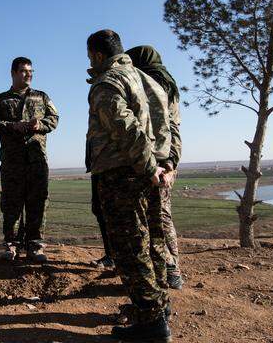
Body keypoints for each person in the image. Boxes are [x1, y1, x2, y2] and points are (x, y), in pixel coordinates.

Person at [85, 29, 171, 342]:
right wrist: (162, 164)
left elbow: (125, 128)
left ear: (96, 55)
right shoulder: (143, 78)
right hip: (146, 171)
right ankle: (159, 311)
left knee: (131, 251)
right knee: (151, 245)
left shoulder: (108, 80)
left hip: (123, 175)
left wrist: (148, 167)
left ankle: (151, 326)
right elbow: (166, 122)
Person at [0, 57, 59, 262]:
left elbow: (54, 120)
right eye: (23, 71)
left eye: (30, 71)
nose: (28, 74)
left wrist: (40, 125)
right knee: (11, 203)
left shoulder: (41, 97)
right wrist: (11, 126)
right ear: (13, 73)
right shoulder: (1, 99)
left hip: (37, 160)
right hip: (12, 162)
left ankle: (35, 246)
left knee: (38, 202)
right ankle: (11, 245)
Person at [127, 45, 183, 289]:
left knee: (154, 220)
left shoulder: (149, 85)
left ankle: (168, 271)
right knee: (163, 216)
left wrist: (163, 164)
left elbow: (160, 128)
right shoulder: (169, 85)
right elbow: (175, 129)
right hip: (167, 161)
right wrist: (172, 162)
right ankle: (173, 271)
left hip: (153, 162)